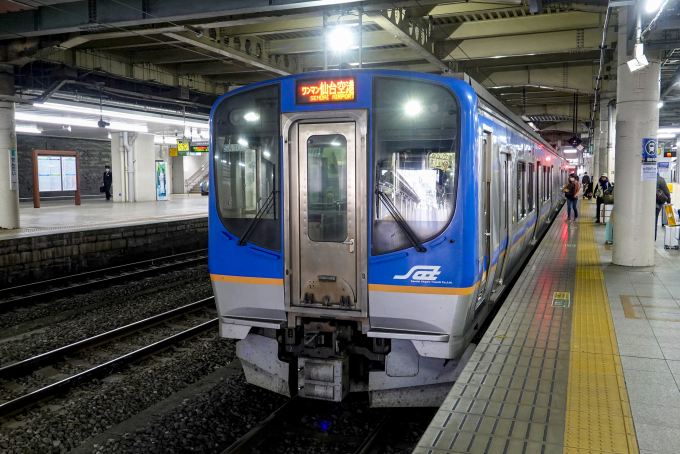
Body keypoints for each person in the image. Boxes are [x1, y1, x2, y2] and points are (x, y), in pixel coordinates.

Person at [656, 173, 671, 240]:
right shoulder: (660, 179)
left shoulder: (643, 178)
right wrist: (669, 201)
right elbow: (666, 192)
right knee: (654, 223)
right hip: (656, 205)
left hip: (644, 206)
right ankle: (652, 240)